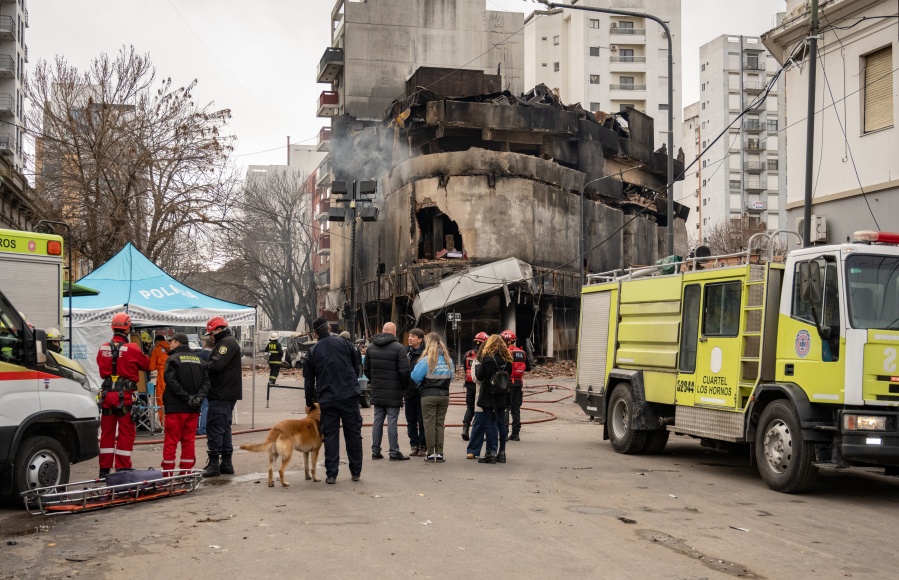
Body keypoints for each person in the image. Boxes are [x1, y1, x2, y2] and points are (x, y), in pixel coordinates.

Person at [303, 316, 363, 484]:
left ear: (315, 333)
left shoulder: (313, 351)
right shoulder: (345, 344)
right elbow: (356, 365)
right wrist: (351, 380)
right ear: (329, 327)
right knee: (353, 434)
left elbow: (309, 381)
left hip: (327, 399)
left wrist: (309, 403)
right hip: (349, 394)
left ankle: (331, 474)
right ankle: (356, 471)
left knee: (330, 435)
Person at [96, 312, 151, 478]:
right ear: (128, 328)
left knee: (107, 433)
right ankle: (122, 468)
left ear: (113, 327)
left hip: (107, 395)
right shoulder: (132, 349)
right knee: (126, 433)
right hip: (125, 396)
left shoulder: (103, 347)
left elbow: (101, 368)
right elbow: (146, 365)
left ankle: (104, 469)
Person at [161, 333, 209, 474]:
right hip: (193, 409)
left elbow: (171, 382)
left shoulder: (173, 359)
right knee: (189, 441)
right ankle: (186, 473)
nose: (169, 345)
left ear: (177, 342)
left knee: (171, 442)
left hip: (175, 408)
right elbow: (206, 383)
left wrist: (186, 397)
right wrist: (197, 398)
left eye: (171, 342)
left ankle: (167, 474)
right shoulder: (200, 361)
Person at [364, 322, 411, 461]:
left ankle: (375, 450)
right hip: (394, 391)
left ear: (383, 331)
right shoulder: (399, 348)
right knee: (392, 421)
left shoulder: (371, 348)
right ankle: (394, 451)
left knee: (377, 420)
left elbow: (366, 369)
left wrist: (375, 380)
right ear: (394, 333)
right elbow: (404, 371)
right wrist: (403, 386)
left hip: (377, 389)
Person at [203, 316, 242, 478]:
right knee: (224, 428)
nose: (210, 337)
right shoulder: (228, 342)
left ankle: (214, 463)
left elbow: (216, 365)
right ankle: (226, 462)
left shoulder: (226, 344)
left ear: (219, 330)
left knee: (215, 427)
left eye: (211, 333)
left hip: (221, 392)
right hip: (227, 392)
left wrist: (201, 365)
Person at [411, 332, 454, 463]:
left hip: (428, 395)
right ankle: (440, 453)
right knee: (440, 424)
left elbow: (415, 376)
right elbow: (451, 376)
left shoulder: (426, 360)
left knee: (429, 424)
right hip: (444, 395)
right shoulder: (448, 360)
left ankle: (430, 453)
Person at [475, 334, 513, 464]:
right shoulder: (508, 360)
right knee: (501, 423)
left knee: (489, 423)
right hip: (502, 395)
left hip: (488, 395)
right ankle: (502, 453)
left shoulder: (487, 359)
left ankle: (490, 453)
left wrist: (478, 369)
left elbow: (480, 378)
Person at [502, 330, 531, 441]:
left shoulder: (506, 352)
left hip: (507, 383)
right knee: (516, 408)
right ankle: (516, 433)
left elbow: (504, 367)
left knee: (505, 408)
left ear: (507, 340)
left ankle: (504, 432)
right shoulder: (522, 352)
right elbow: (528, 368)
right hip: (519, 383)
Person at [461, 332, 488, 441]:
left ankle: (465, 428)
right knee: (483, 409)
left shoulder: (468, 354)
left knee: (470, 407)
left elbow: (464, 368)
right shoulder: (485, 355)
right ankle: (483, 432)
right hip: (480, 385)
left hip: (469, 385)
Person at [404, 328, 427, 456]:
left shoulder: (425, 353)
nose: (410, 338)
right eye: (409, 336)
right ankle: (414, 445)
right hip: (408, 391)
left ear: (420, 339)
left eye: (413, 336)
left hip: (421, 392)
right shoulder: (406, 352)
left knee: (422, 420)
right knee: (411, 421)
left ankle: (423, 445)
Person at [149, 335, 171, 428]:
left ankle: (164, 424)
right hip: (172, 375)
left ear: (157, 341)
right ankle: (172, 423)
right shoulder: (171, 348)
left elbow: (151, 367)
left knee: (161, 400)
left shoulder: (156, 350)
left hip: (162, 377)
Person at [196, 336, 214, 436]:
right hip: (211, 384)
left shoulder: (198, 355)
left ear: (205, 344)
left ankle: (198, 428)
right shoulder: (215, 355)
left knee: (199, 407)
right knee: (207, 407)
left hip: (199, 384)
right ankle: (204, 428)